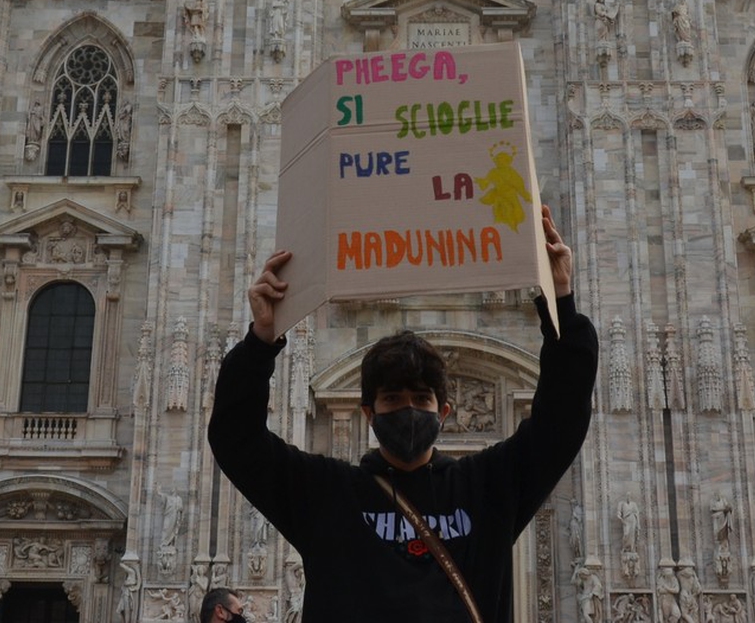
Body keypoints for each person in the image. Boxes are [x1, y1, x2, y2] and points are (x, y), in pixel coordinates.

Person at [208, 207, 598, 623]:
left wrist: (560, 306)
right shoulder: (328, 495)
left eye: (421, 398)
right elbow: (236, 439)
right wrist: (260, 343)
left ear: (443, 411)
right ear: (368, 414)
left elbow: (562, 420)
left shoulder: (486, 489)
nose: (408, 410)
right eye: (392, 399)